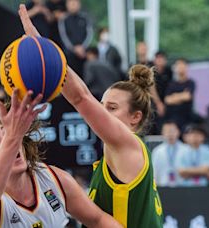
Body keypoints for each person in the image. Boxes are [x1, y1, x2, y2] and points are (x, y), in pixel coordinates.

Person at [19, 5, 163, 227]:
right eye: (102, 105)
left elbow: (81, 97)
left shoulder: (129, 144)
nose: (102, 111)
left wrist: (44, 52)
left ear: (135, 117)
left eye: (112, 108)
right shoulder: (114, 158)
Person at [0, 90, 122, 228]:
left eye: (5, 134)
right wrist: (12, 136)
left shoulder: (53, 179)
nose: (7, 142)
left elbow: (98, 220)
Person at [152, 121, 187, 187]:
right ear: (162, 133)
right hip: (162, 185)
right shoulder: (157, 151)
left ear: (178, 132)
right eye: (167, 131)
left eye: (172, 131)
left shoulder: (186, 149)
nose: (170, 134)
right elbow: (154, 171)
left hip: (182, 186)